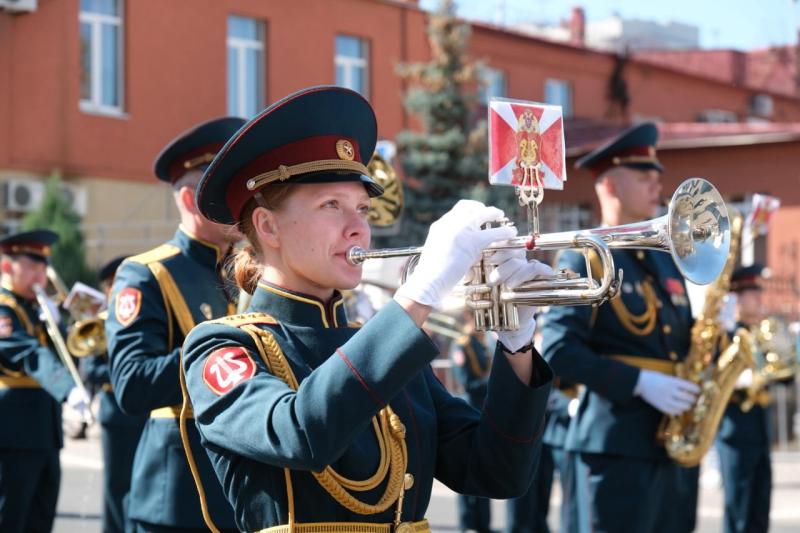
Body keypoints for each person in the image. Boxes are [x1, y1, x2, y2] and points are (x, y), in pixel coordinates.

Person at [180, 85, 554, 533]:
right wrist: (420, 292)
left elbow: (496, 472)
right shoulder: (222, 347)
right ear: (268, 226)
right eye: (332, 205)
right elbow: (301, 433)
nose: (359, 227)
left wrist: (515, 344)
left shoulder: (382, 346)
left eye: (362, 207)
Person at [541, 122, 701, 533]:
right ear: (609, 186)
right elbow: (558, 349)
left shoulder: (664, 259)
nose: (657, 186)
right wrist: (638, 382)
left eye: (657, 177)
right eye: (644, 177)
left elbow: (678, 341)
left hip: (668, 443)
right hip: (612, 445)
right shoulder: (585, 257)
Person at [106, 117, 245, 532]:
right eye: (225, 194)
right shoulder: (146, 273)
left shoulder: (245, 272)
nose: (240, 203)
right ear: (189, 199)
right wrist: (225, 349)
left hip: (244, 490)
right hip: (181, 496)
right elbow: (130, 383)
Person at [0, 229, 91, 532]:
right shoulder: (3, 309)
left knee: (41, 519)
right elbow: (30, 355)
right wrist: (69, 391)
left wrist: (61, 326)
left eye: (42, 268)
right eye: (31, 267)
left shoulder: (39, 308)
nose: (39, 276)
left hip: (45, 432)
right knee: (11, 518)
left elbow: (69, 355)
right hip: (12, 435)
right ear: (6, 267)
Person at [83, 255, 147, 533]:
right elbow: (90, 371)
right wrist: (126, 373)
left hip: (143, 412)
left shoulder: (141, 317)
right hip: (115, 414)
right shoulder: (99, 323)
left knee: (142, 485)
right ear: (109, 288)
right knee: (116, 486)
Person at [715, 264, 772, 533]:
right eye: (754, 292)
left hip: (759, 429)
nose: (760, 298)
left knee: (759, 510)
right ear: (736, 296)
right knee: (738, 509)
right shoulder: (725, 335)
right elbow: (713, 375)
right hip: (733, 430)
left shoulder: (759, 333)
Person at [451, 310, 493, 533]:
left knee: (484, 469)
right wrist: (492, 382)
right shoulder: (462, 345)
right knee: (466, 471)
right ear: (469, 316)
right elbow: (466, 382)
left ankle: (483, 525)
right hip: (469, 408)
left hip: (483, 411)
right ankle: (468, 525)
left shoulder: (480, 343)